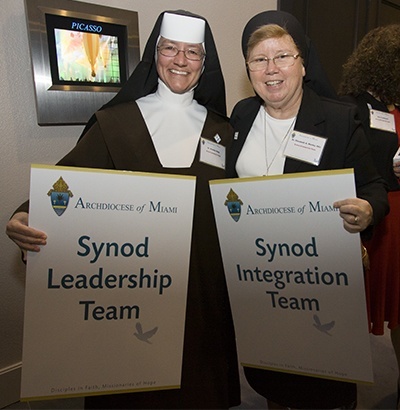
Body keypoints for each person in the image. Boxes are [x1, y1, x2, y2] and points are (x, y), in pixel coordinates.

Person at [6, 10, 240, 409]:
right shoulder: (116, 122)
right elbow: (67, 182)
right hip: (133, 288)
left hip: (203, 290)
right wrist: (27, 214)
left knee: (198, 388)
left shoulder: (222, 128)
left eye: (192, 52)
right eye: (170, 49)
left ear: (206, 63)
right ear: (155, 54)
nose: (180, 61)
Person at [226, 10, 389, 409]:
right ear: (248, 68)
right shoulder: (242, 116)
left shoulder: (337, 119)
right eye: (259, 60)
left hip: (318, 282)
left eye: (282, 56)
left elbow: (374, 187)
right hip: (260, 276)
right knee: (272, 374)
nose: (271, 69)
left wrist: (368, 209)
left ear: (302, 62)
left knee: (321, 381)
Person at [339, 24, 400, 408]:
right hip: (369, 220)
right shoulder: (351, 107)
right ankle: (342, 390)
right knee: (352, 312)